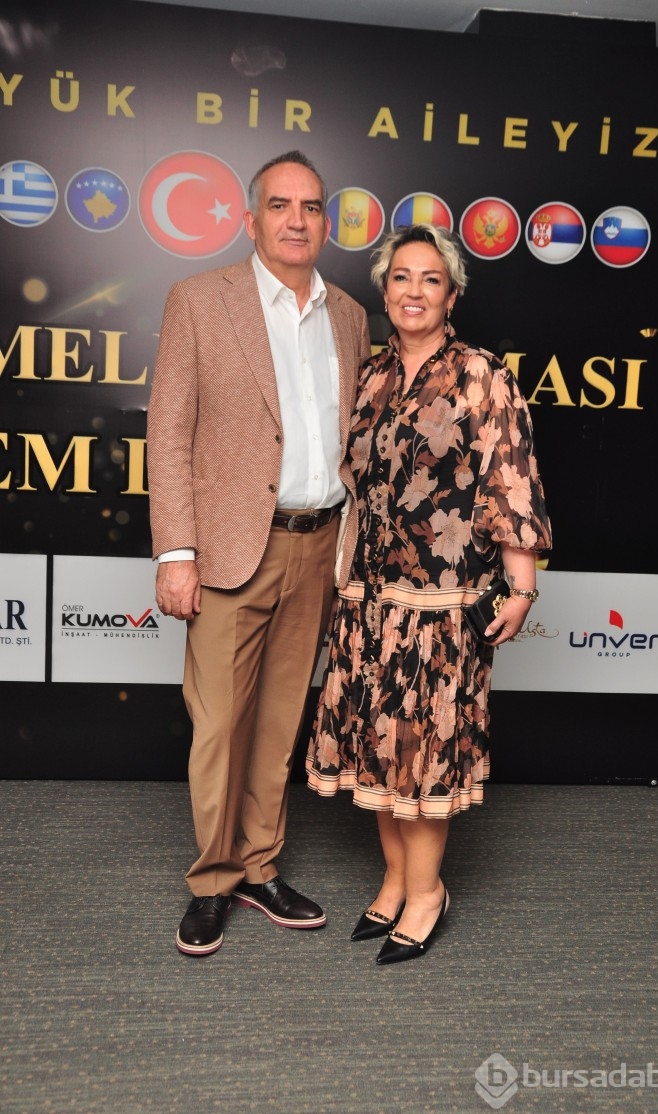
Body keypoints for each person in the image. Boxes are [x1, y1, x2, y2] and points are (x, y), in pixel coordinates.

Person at [306, 223, 551, 964]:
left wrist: (521, 585)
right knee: (380, 753)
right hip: (368, 598)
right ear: (385, 291)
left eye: (430, 279)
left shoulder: (480, 374)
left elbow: (511, 475)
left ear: (452, 295)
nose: (413, 291)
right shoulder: (371, 375)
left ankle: (425, 893)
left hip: (442, 607)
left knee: (423, 756)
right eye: (401, 278)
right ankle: (393, 882)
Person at [147, 150, 371, 956]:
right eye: (280, 205)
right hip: (230, 550)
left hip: (319, 548)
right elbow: (169, 431)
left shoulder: (350, 315)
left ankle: (259, 867)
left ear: (325, 223)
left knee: (279, 725)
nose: (296, 220)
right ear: (251, 220)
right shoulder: (200, 300)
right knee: (220, 725)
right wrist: (176, 552)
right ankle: (212, 881)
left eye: (310, 207)